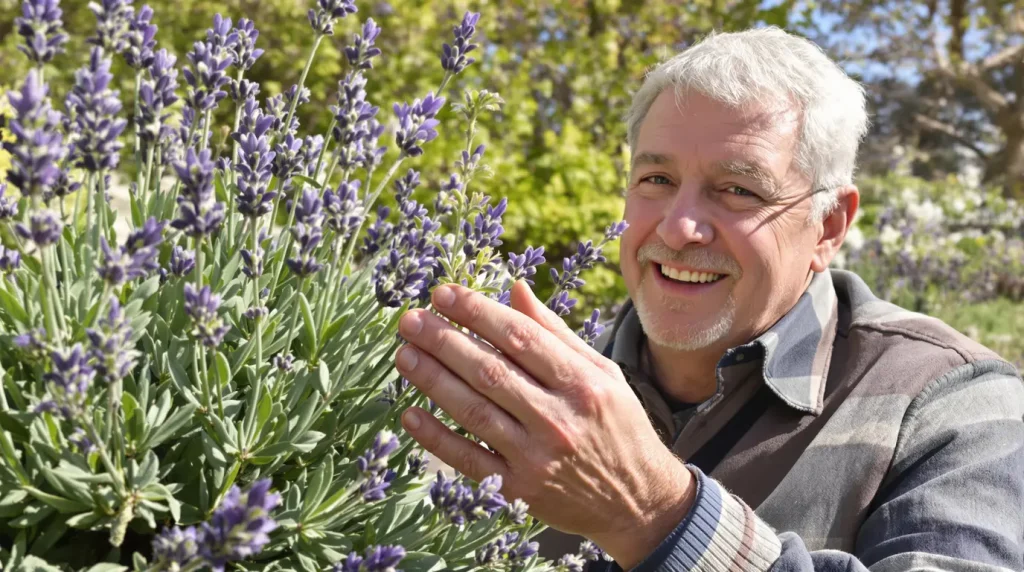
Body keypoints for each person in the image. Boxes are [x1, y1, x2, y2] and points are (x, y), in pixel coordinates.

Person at [391, 26, 1024, 572]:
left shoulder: (956, 406)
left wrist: (654, 516)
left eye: (738, 190)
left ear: (828, 225)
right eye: (657, 179)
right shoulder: (515, 393)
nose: (676, 228)